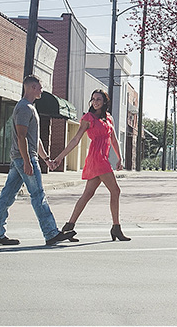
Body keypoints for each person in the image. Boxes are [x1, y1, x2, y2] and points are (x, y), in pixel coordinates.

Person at [0, 75, 75, 246]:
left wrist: (46, 159)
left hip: (22, 158)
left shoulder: (30, 108)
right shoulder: (24, 108)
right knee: (38, 195)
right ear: (32, 87)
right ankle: (50, 233)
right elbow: (21, 137)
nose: (42, 90)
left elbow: (35, 138)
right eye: (40, 87)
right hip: (23, 158)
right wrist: (28, 161)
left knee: (6, 197)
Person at [51, 89, 131, 241]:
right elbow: (76, 140)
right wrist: (60, 157)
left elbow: (114, 139)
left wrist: (120, 158)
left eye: (98, 99)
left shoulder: (109, 118)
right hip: (97, 159)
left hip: (103, 159)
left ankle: (68, 227)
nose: (95, 102)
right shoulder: (88, 118)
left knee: (87, 194)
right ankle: (116, 228)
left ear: (104, 102)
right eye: (93, 99)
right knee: (116, 191)